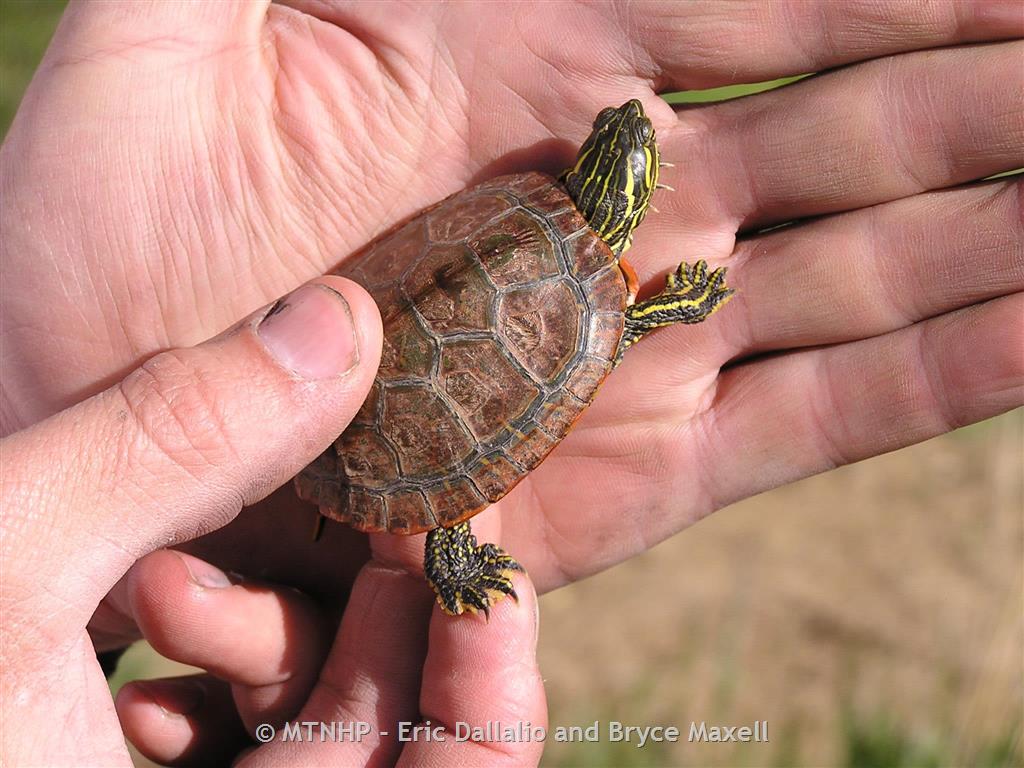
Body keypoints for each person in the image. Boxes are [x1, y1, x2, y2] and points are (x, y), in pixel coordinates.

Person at [1, 1, 1020, 765]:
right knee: (454, 528)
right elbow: (602, 335)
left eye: (624, 150)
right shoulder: (580, 263)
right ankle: (447, 548)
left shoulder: (536, 209)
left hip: (346, 390)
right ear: (628, 191)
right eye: (622, 149)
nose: (628, 140)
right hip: (363, 411)